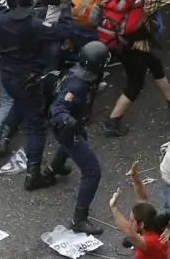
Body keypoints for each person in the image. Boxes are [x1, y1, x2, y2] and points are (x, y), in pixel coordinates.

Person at [0, 0, 73, 191]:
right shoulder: (34, 24)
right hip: (28, 79)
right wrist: (66, 6)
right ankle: (33, 175)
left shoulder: (0, 21)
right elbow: (63, 31)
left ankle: (1, 134)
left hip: (8, 76)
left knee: (19, 103)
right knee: (36, 126)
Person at [44, 41, 110, 235]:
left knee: (77, 139)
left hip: (74, 125)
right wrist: (68, 120)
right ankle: (79, 220)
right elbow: (57, 108)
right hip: (65, 127)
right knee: (92, 171)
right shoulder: (77, 84)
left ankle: (51, 171)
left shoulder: (83, 73)